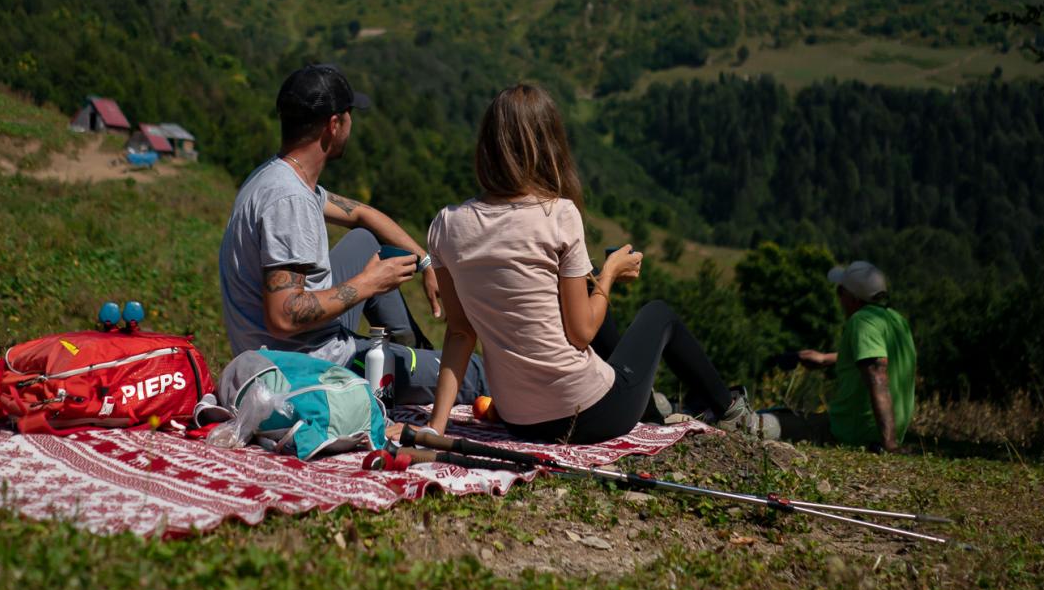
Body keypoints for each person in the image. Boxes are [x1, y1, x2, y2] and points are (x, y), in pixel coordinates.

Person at [423, 84, 754, 443]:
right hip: (592, 414)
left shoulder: (446, 224)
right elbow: (581, 333)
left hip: (520, 420)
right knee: (659, 314)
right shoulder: (559, 214)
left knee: (585, 286)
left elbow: (460, 332)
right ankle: (729, 409)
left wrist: (434, 428)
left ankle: (657, 406)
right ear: (549, 145)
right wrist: (610, 272)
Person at [217, 63, 485, 402]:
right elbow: (283, 317)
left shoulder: (276, 176)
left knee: (363, 240)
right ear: (334, 125)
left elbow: (361, 214)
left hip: (287, 349)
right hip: (306, 367)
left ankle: (416, 356)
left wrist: (425, 261)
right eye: (348, 115)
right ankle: (420, 370)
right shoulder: (290, 201)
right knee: (476, 373)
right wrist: (369, 283)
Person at [759, 261, 917, 452]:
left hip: (854, 431)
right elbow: (877, 356)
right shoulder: (897, 321)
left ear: (853, 298)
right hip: (877, 430)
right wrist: (825, 359)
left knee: (765, 420)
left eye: (840, 291)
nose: (839, 298)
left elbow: (877, 376)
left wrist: (889, 444)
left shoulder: (862, 320)